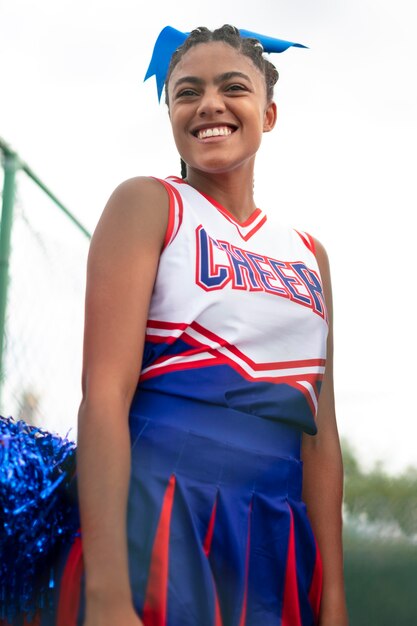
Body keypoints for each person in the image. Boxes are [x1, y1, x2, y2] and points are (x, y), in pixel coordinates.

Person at [2, 24, 348, 626]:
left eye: (232, 87)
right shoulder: (149, 203)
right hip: (158, 514)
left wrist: (334, 597)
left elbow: (321, 435)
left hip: (274, 531)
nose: (209, 103)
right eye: (187, 92)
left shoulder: (308, 252)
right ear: (170, 114)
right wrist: (109, 595)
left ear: (267, 114)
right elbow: (105, 395)